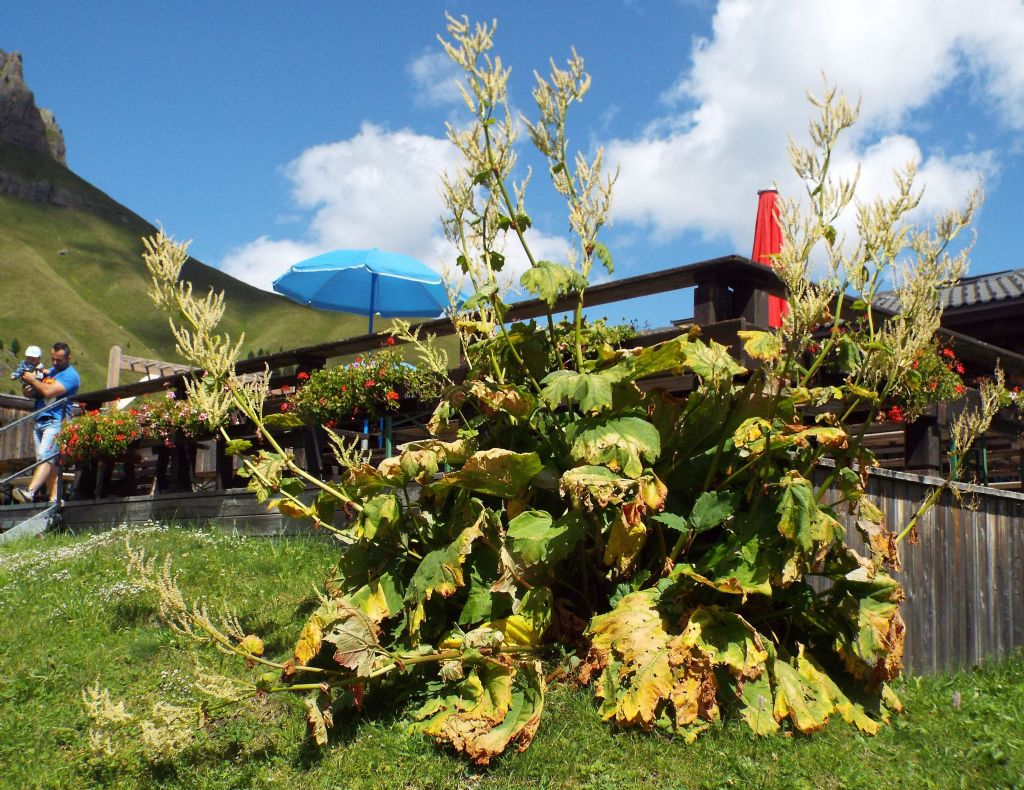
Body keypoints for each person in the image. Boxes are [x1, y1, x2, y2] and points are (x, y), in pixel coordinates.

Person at [12, 342, 81, 504]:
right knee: (48, 461)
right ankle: (54, 498)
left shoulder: (70, 375)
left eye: (59, 360)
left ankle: (30, 492)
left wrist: (33, 381)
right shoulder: (50, 372)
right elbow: (37, 391)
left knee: (45, 458)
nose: (55, 363)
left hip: (56, 420)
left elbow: (49, 391)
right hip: (41, 419)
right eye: (53, 359)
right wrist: (28, 389)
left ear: (68, 358)